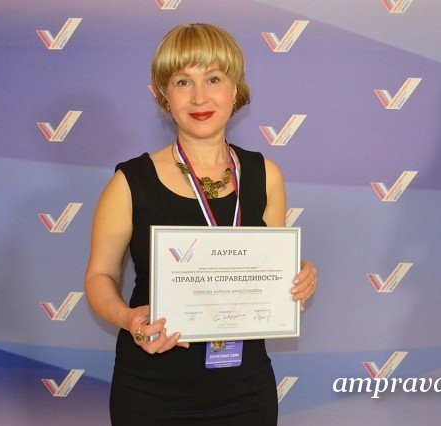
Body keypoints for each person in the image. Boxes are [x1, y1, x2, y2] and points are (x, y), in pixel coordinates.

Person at [84, 23, 318, 425]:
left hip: (245, 392)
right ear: (162, 94)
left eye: (213, 79)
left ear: (234, 89)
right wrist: (128, 318)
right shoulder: (130, 182)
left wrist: (297, 279)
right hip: (151, 393)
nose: (199, 97)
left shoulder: (266, 175)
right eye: (182, 81)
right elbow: (100, 275)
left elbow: (271, 270)